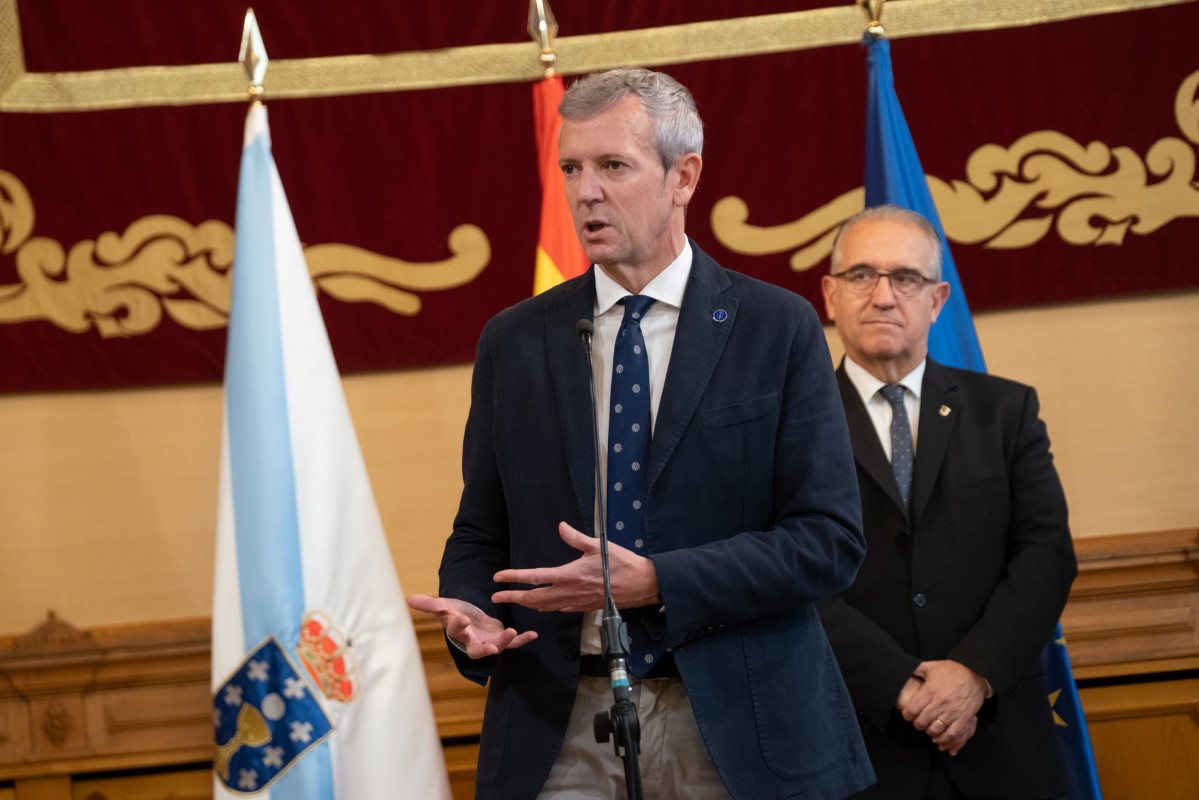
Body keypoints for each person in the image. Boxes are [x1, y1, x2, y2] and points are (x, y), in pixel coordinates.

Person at [408, 68, 874, 800]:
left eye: (612, 166)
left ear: (682, 176)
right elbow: (480, 532)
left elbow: (827, 541)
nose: (584, 191)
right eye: (571, 168)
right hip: (557, 720)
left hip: (737, 719)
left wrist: (657, 581)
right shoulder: (513, 342)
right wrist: (470, 611)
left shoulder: (773, 327)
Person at [817, 204, 1079, 800]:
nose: (883, 296)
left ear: (937, 301)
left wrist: (972, 675)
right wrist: (898, 685)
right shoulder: (786, 426)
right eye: (862, 275)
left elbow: (1046, 556)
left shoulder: (1006, 413)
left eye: (905, 278)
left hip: (1000, 743)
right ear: (830, 295)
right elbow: (787, 578)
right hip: (857, 745)